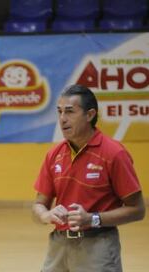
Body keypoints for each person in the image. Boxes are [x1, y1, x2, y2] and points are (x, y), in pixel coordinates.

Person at [32, 84, 146, 271]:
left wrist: (93, 219)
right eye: (59, 112)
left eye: (69, 112)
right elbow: (38, 205)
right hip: (58, 247)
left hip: (98, 246)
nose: (62, 119)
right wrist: (46, 215)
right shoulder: (54, 154)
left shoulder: (114, 153)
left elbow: (138, 209)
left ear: (90, 115)